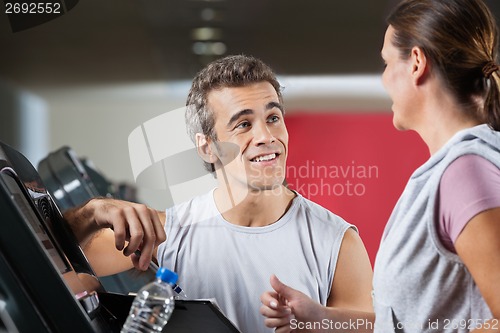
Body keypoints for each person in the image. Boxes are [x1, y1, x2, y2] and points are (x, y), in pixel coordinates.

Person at [65, 55, 374, 333]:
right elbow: (49, 262)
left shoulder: (336, 241)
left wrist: (320, 326)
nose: (266, 136)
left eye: (273, 118)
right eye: (243, 124)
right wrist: (93, 212)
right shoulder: (168, 232)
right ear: (207, 147)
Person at [260, 0, 500, 332]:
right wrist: (322, 319)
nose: (384, 79)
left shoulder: (466, 171)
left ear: (416, 62)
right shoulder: (453, 169)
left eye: (387, 62)